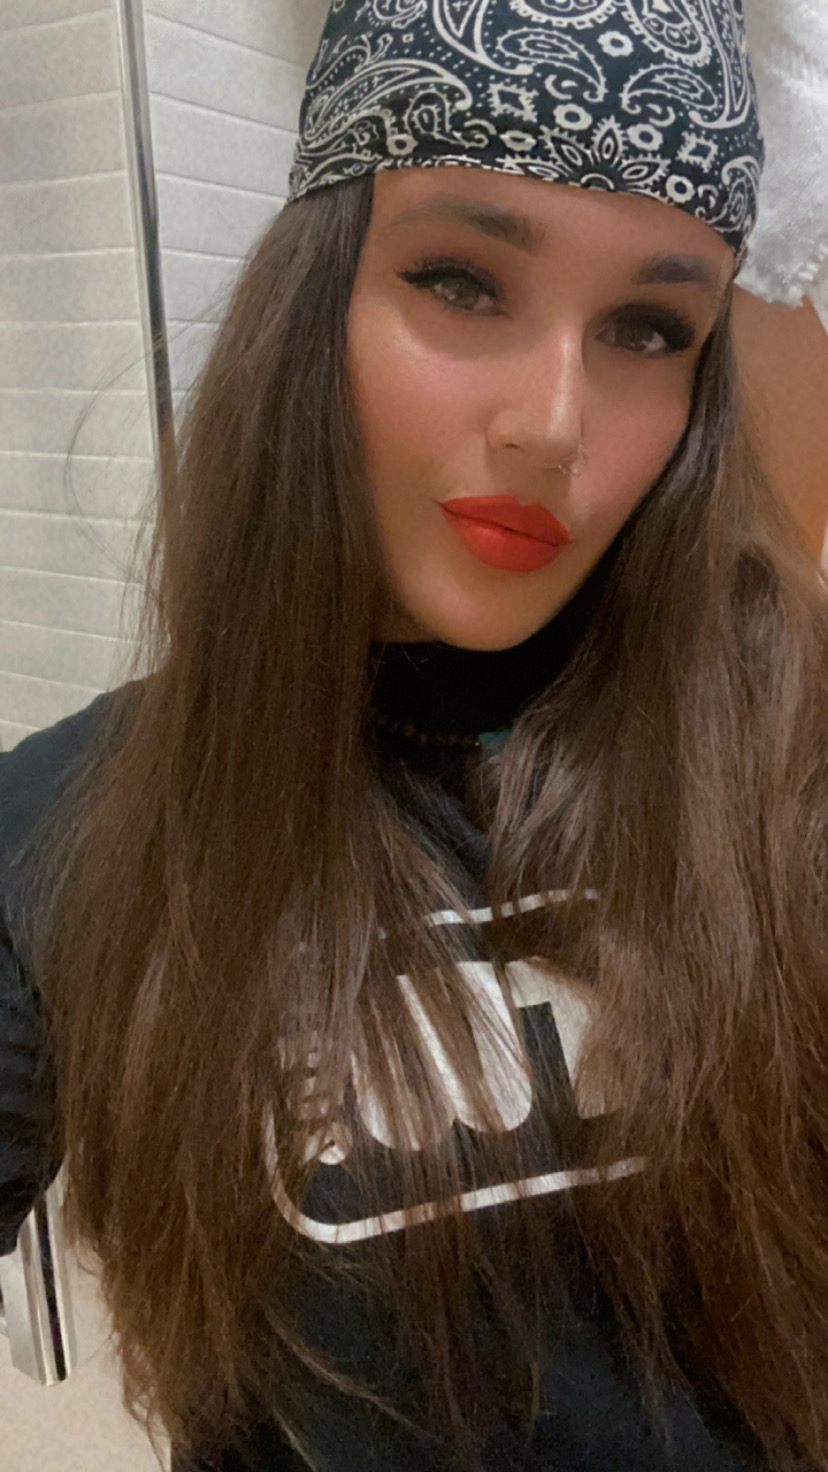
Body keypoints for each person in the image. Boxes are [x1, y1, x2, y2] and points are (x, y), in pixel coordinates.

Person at [1, 2, 827, 1469]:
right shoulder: (80, 829)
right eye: (462, 281)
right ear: (316, 304)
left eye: (648, 328)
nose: (553, 422)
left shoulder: (791, 754)